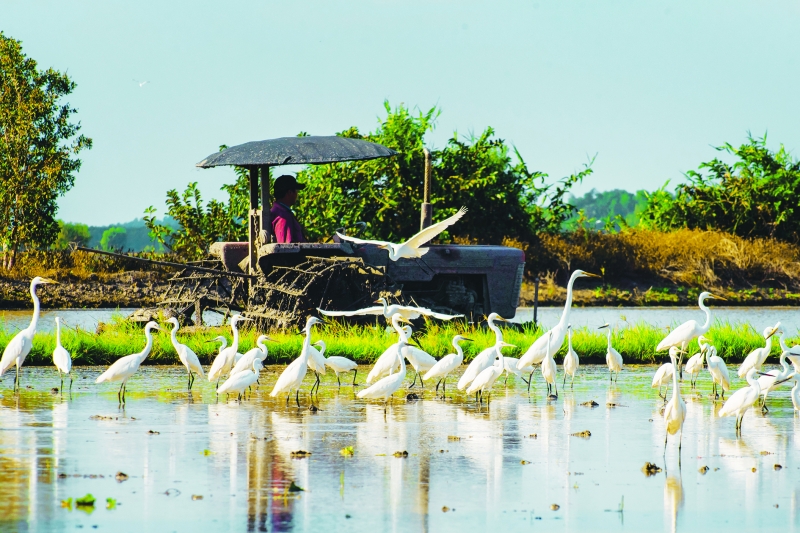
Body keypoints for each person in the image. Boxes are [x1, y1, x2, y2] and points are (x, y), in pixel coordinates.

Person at [270, 175, 307, 243]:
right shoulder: (283, 217)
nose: (297, 194)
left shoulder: (280, 212)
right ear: (290, 192)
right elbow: (286, 248)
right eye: (296, 191)